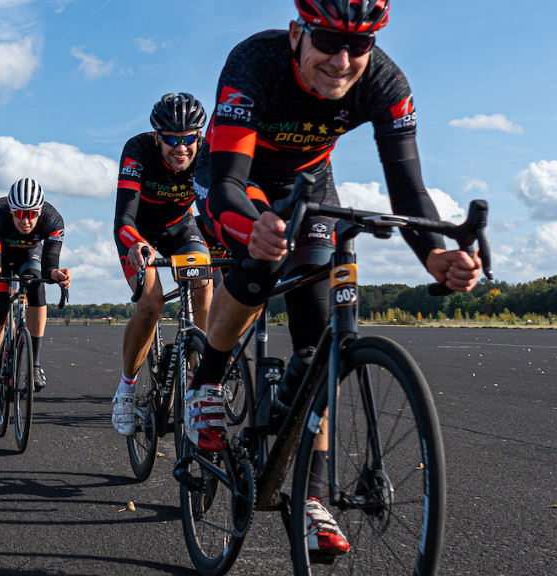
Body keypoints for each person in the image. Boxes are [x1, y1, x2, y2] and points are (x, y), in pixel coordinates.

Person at [186, 0, 485, 555]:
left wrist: (434, 256)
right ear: (298, 32)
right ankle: (206, 383)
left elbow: (409, 190)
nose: (343, 60)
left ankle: (312, 497)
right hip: (236, 178)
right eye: (327, 41)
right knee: (262, 261)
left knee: (319, 344)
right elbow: (228, 180)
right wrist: (254, 228)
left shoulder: (385, 80)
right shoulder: (256, 62)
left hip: (310, 183)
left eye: (359, 45)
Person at [110, 93, 216, 436]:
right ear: (157, 136)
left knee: (204, 283)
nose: (181, 148)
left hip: (181, 227)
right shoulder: (138, 151)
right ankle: (126, 390)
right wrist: (136, 243)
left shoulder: (208, 154)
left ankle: (196, 372)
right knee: (152, 303)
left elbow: (218, 204)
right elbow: (124, 216)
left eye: (188, 139)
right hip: (138, 233)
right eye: (172, 139)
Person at [0, 178, 69, 410]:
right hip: (0, 254)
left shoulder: (53, 219)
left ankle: (35, 365)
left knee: (37, 286)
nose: (25, 221)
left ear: (41, 210)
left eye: (32, 214)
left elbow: (49, 264)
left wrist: (56, 273)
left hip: (29, 254)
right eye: (18, 214)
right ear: (10, 209)